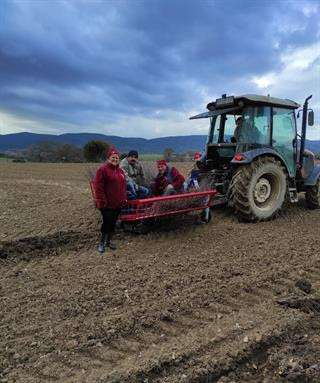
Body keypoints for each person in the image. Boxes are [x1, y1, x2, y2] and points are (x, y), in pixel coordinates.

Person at [94, 147, 126, 254]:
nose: (115, 159)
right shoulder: (102, 170)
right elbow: (98, 187)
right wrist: (102, 201)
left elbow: (123, 187)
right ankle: (102, 242)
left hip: (117, 203)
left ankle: (109, 241)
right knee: (107, 223)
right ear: (108, 158)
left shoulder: (120, 171)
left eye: (117, 158)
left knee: (113, 223)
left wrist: (123, 198)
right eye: (113, 157)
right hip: (106, 204)